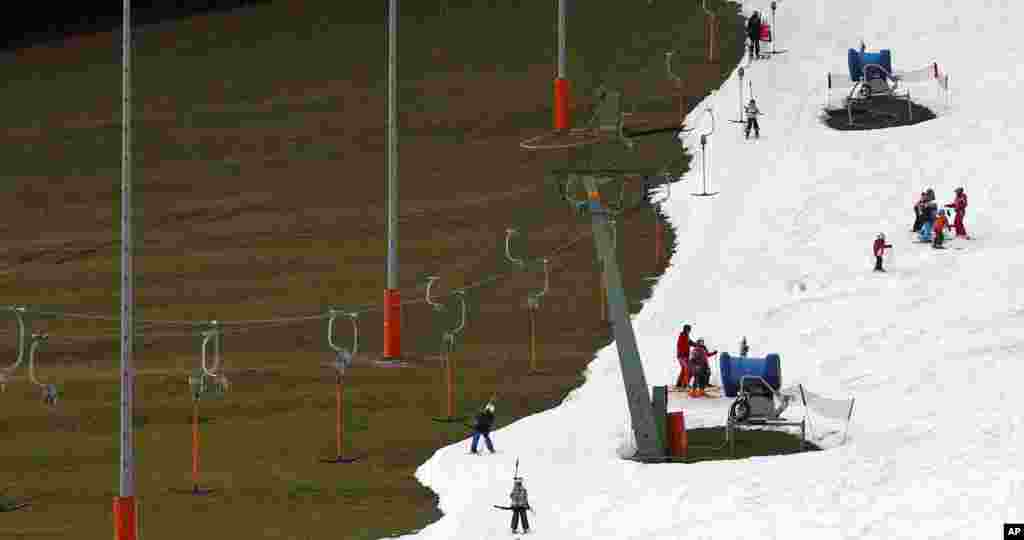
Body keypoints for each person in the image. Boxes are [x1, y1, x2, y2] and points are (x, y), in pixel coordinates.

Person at [675, 324, 697, 389]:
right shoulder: (683, 336)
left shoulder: (685, 336)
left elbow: (690, 342)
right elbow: (687, 344)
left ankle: (679, 384)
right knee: (688, 369)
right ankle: (684, 384)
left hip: (681, 356)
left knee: (683, 369)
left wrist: (696, 345)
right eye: (689, 329)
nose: (689, 331)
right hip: (683, 356)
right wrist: (695, 345)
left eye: (690, 330)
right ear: (686, 329)